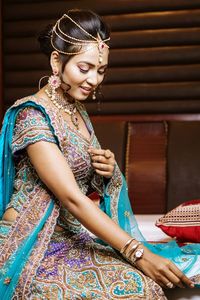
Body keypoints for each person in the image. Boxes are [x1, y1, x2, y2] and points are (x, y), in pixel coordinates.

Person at [0, 9, 199, 299]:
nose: (94, 79)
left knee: (153, 282)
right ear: (57, 61)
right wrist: (138, 253)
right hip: (30, 243)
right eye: (85, 68)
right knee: (138, 289)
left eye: (101, 70)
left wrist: (106, 170)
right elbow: (71, 197)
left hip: (69, 236)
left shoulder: (76, 110)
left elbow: (84, 181)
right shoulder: (33, 114)